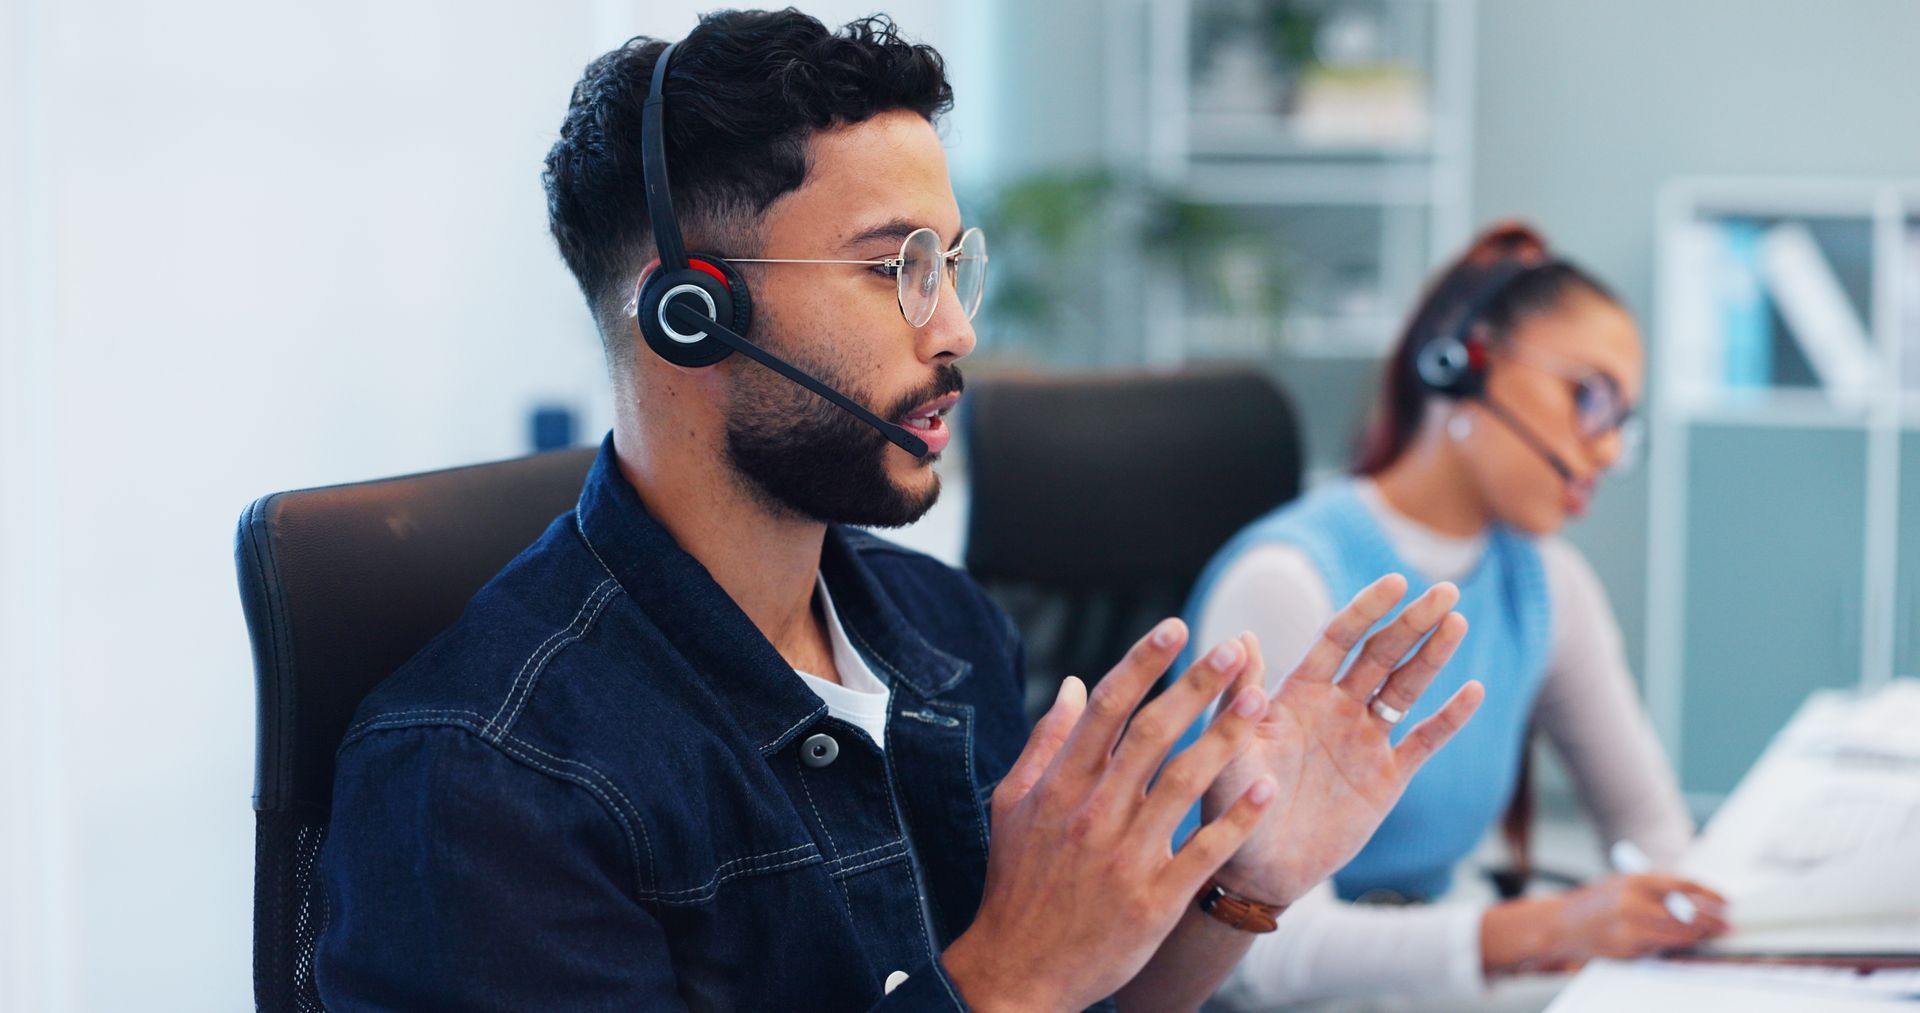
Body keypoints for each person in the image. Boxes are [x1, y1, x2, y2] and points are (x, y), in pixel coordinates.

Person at [311, 11, 1486, 1011]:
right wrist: (1003, 982)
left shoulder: (940, 626)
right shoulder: (486, 778)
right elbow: (1021, 985)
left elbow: (1076, 990)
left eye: (951, 264)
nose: (956, 328)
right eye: (893, 270)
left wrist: (1247, 885)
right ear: (688, 314)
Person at [1181, 222, 1730, 1010]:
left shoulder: (1547, 583)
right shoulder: (1287, 579)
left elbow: (1647, 824)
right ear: (1461, 365)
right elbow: (1259, 952)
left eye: (1620, 420)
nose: (1607, 451)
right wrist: (1546, 929)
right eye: (1588, 397)